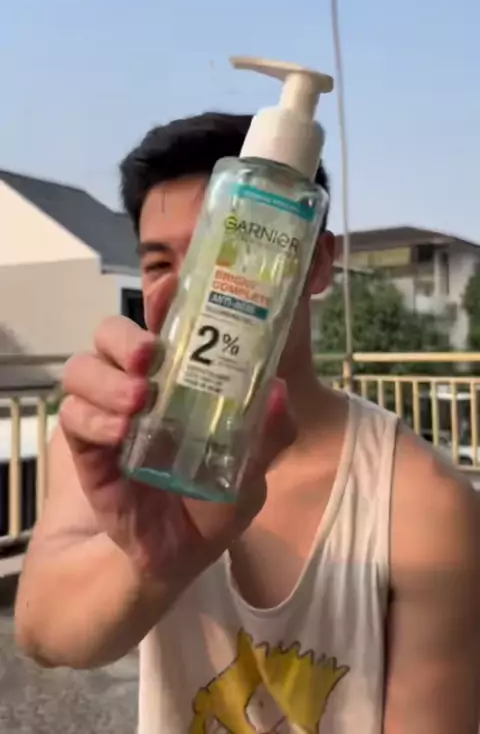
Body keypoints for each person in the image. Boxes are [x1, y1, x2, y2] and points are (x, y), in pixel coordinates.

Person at [15, 113, 479, 734]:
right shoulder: (107, 442)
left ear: (316, 263)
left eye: (227, 252)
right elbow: (44, 634)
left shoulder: (426, 505)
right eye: (159, 264)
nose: (195, 289)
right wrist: (150, 565)